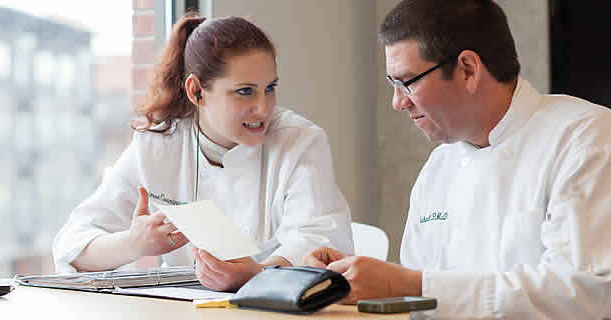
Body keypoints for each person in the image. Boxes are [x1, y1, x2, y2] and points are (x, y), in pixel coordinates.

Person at [306, 0, 611, 318]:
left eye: (407, 82)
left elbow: (580, 295)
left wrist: (412, 285)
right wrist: (352, 281)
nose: (398, 102)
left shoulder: (586, 140)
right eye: (392, 84)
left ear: (468, 69)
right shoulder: (439, 167)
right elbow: (423, 294)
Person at [52, 14, 354, 292]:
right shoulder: (157, 146)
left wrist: (259, 273)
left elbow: (320, 242)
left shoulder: (300, 142)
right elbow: (72, 246)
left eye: (270, 88)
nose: (264, 108)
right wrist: (135, 243)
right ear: (196, 91)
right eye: (245, 91)